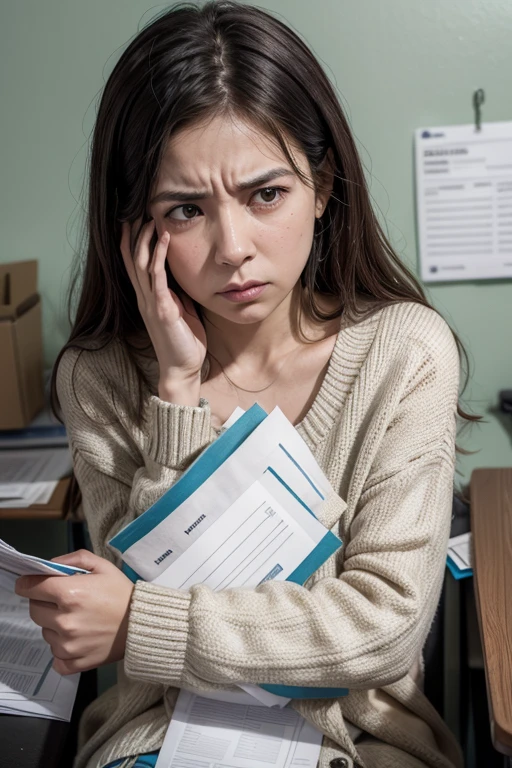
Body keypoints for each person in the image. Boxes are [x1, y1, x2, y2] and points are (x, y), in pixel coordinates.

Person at [15, 2, 471, 767]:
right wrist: (178, 393)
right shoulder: (99, 377)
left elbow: (384, 629)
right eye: (187, 210)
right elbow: (131, 627)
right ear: (136, 230)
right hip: (159, 739)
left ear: (322, 188)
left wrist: (143, 625)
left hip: (358, 741)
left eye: (266, 195)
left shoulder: (404, 354)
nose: (233, 249)